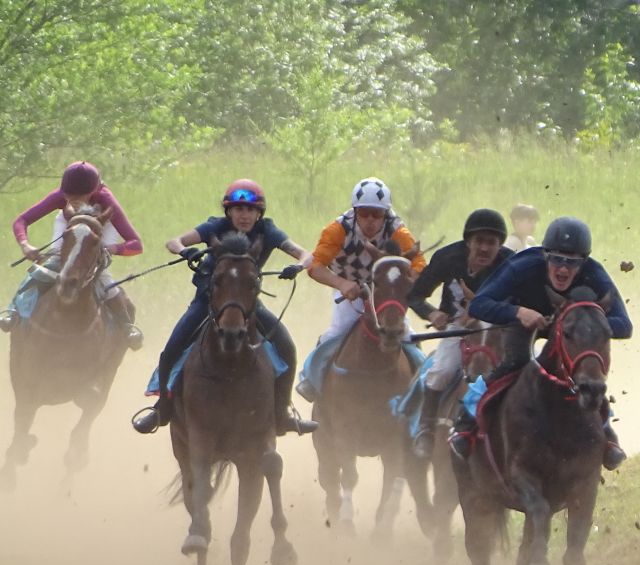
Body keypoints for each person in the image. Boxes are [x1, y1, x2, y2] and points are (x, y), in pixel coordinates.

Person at [131, 179, 317, 435]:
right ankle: (163, 407)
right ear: (228, 211)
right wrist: (187, 251)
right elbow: (174, 242)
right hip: (207, 301)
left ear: (259, 213)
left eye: (251, 210)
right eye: (238, 209)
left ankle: (281, 413)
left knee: (287, 346)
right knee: (172, 348)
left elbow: (306, 255)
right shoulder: (215, 227)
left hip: (247, 305)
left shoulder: (268, 231)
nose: (244, 215)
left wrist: (297, 266)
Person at [450, 216, 632, 470]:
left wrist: (585, 325)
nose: (563, 269)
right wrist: (518, 312)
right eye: (557, 259)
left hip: (572, 331)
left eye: (573, 262)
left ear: (584, 262)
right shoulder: (522, 266)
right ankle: (466, 424)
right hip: (524, 324)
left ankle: (607, 434)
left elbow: (625, 325)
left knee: (588, 373)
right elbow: (480, 304)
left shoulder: (595, 273)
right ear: (545, 255)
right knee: (514, 364)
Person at [405, 208, 512, 459]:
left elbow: (522, 298)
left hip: (497, 326)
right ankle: (426, 429)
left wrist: (487, 310)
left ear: (500, 245)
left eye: (491, 243)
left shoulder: (510, 263)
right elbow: (415, 295)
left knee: (530, 366)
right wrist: (432, 314)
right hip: (457, 326)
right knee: (442, 371)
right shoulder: (447, 258)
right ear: (468, 242)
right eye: (479, 241)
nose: (484, 249)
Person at [1, 161, 142, 345]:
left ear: (94, 190)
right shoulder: (60, 196)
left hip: (101, 226)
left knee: (99, 273)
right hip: (69, 225)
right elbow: (22, 220)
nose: (73, 200)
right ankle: (13, 311)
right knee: (54, 260)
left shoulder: (106, 200)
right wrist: (26, 245)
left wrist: (110, 249)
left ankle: (126, 326)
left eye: (80, 196)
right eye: (69, 195)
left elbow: (136, 244)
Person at [302, 177, 427, 351]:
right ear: (355, 211)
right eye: (364, 213)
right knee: (337, 333)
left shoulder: (398, 230)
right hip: (351, 291)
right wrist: (342, 284)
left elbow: (419, 264)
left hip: (386, 292)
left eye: (377, 214)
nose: (370, 220)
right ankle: (310, 377)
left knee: (407, 335)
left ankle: (421, 377)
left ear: (385, 213)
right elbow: (315, 266)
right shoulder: (338, 229)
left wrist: (403, 283)